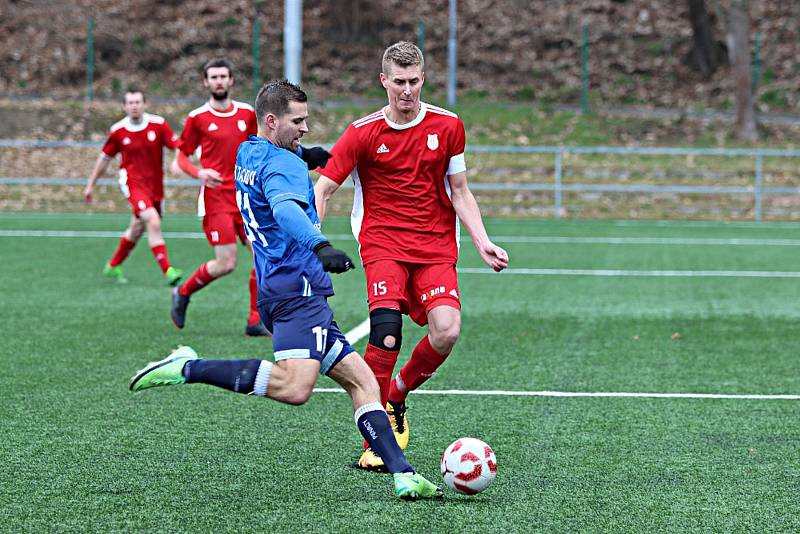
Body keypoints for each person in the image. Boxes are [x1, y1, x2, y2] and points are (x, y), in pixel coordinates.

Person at [129, 79, 442, 501]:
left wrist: (303, 154)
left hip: (280, 287)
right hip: (298, 287)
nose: (307, 128)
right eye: (298, 121)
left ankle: (403, 474)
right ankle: (189, 367)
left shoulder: (249, 149)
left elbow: (275, 169)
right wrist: (321, 245)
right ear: (273, 120)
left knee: (364, 383)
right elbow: (285, 208)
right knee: (296, 388)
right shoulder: (285, 168)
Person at [314, 41, 510, 471]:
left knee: (447, 331)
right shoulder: (362, 132)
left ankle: (397, 395)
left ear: (423, 78)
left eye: (414, 81)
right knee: (386, 333)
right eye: (398, 82)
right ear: (384, 80)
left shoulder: (449, 125)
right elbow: (323, 187)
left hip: (436, 245)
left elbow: (459, 191)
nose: (407, 90)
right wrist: (313, 241)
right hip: (382, 242)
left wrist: (482, 241)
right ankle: (376, 434)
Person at [172, 58, 331, 337]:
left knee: (266, 251)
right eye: (213, 77)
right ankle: (183, 292)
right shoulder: (197, 118)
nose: (219, 81)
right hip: (215, 198)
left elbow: (267, 144)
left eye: (223, 76)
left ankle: (255, 319)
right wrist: (198, 172)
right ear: (206, 82)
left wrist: (306, 156)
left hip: (248, 194)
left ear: (231, 80)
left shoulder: (247, 113)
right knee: (226, 263)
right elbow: (181, 157)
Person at [84, 89, 183, 286]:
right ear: (124, 106)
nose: (134, 106)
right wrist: (90, 185)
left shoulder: (158, 124)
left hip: (155, 185)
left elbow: (179, 146)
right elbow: (104, 159)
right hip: (132, 183)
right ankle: (168, 271)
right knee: (153, 221)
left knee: (137, 229)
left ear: (144, 104)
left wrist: (177, 162)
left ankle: (113, 265)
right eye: (130, 103)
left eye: (137, 102)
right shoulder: (118, 131)